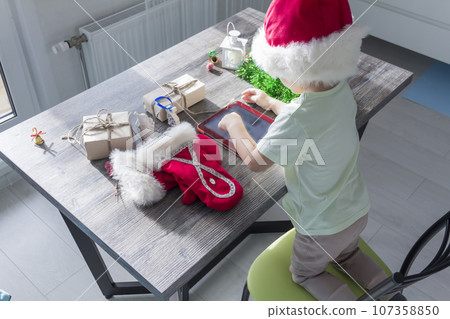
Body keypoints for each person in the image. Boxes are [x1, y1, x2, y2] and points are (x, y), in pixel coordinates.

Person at [218, 0, 391, 301]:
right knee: (348, 254)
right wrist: (271, 103)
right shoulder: (340, 93)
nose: (277, 79)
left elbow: (256, 162)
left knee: (304, 272)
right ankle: (384, 289)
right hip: (355, 210)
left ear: (298, 68)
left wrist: (235, 125)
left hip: (321, 228)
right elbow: (313, 120)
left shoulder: (297, 119)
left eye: (281, 71)